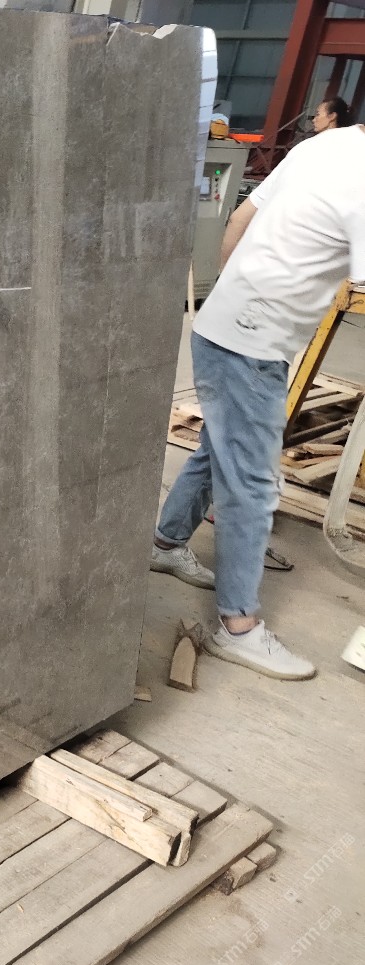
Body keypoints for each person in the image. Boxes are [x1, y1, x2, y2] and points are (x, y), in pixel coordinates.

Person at [149, 122, 365, 680]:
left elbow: (241, 217)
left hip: (229, 325)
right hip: (252, 344)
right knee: (253, 484)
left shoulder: (328, 143)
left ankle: (166, 543)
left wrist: (235, 291)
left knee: (218, 449)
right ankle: (238, 626)